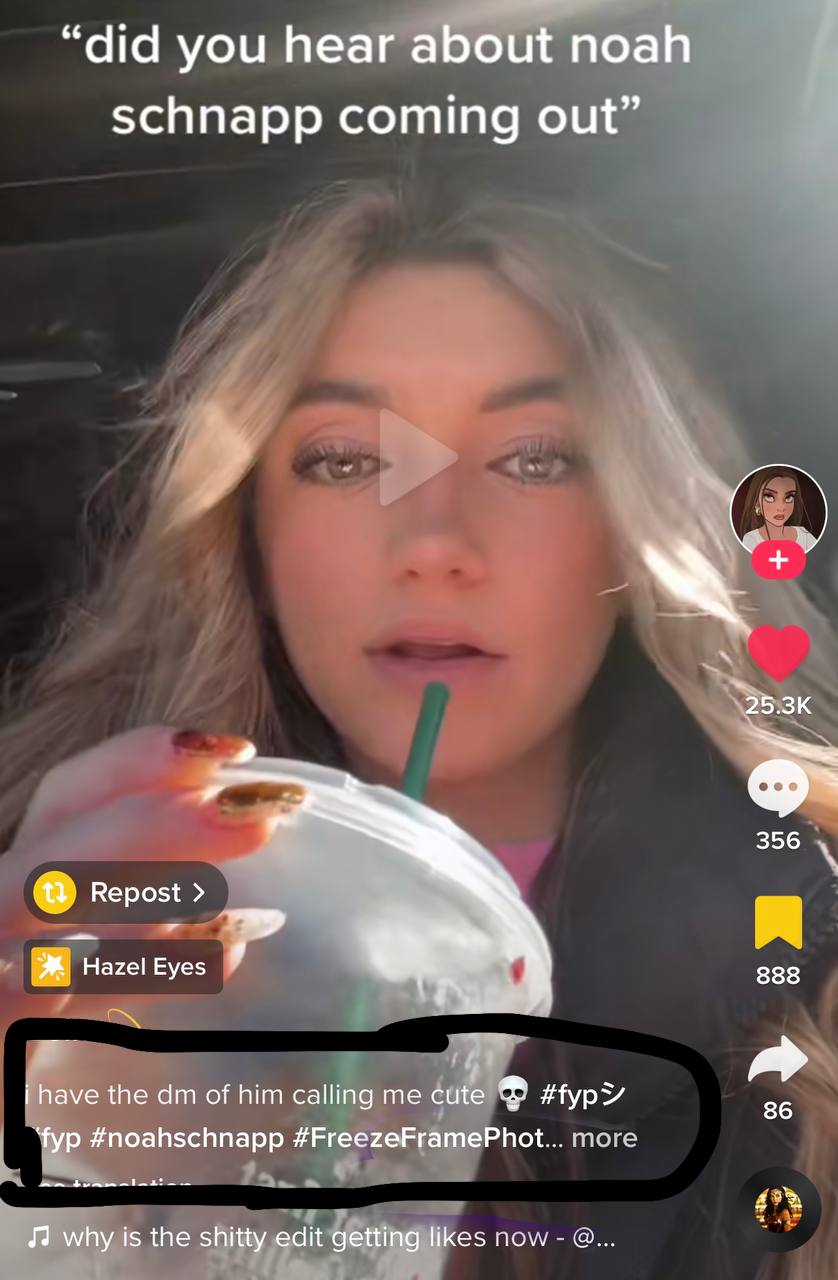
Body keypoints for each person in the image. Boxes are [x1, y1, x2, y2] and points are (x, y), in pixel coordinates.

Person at [0, 174, 836, 1280]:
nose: (435, 542)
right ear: (248, 531)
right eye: (346, 459)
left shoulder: (810, 953)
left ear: (627, 528)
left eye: (534, 457)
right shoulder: (83, 912)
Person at [737, 466, 819, 552]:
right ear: (757, 501)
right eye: (769, 496)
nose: (781, 508)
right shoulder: (751, 539)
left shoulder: (804, 535)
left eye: (789, 497)